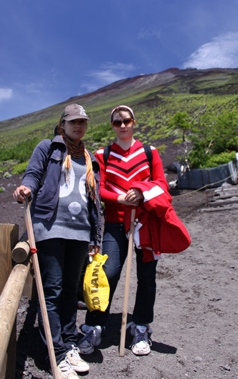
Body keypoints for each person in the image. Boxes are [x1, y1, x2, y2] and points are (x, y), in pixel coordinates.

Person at [80, 105, 185, 357]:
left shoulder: (150, 152)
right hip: (115, 224)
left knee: (147, 278)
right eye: (117, 122)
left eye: (126, 120)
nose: (123, 125)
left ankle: (140, 326)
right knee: (108, 273)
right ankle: (94, 324)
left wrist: (140, 191)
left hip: (145, 223)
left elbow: (161, 184)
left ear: (134, 122)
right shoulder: (102, 154)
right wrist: (121, 198)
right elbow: (99, 187)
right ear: (112, 125)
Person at [13, 104, 101, 379]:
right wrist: (26, 187)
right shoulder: (47, 148)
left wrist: (95, 234)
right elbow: (33, 173)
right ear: (62, 124)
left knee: (70, 291)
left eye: (83, 122)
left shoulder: (89, 157)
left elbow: (93, 198)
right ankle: (57, 352)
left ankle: (68, 343)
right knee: (51, 289)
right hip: (49, 228)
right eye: (73, 121)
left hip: (79, 231)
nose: (79, 126)